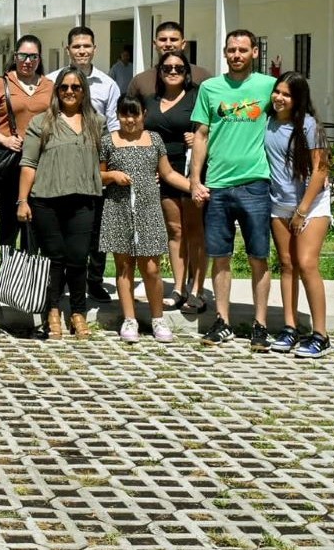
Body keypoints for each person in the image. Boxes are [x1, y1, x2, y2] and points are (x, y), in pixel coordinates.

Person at [188, 29, 278, 347]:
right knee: (220, 256)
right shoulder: (210, 88)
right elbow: (201, 134)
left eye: (242, 49)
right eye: (231, 50)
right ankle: (222, 321)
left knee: (258, 257)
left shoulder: (268, 87)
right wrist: (195, 180)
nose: (236, 55)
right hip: (218, 186)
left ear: (254, 51)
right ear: (224, 53)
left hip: (255, 183)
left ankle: (260, 325)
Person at [17, 67, 104, 339]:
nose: (69, 92)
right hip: (47, 201)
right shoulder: (42, 122)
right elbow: (29, 163)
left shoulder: (96, 122)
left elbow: (104, 161)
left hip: (83, 200)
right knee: (54, 258)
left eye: (75, 87)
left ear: (83, 91)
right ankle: (52, 310)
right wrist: (22, 200)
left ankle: (78, 312)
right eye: (64, 87)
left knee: (78, 258)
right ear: (56, 91)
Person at [100, 97, 190, 343]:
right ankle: (130, 319)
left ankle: (157, 318)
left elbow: (168, 173)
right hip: (118, 209)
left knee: (151, 267)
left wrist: (194, 187)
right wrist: (112, 175)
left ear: (144, 115)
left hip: (148, 209)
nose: (130, 121)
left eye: (135, 115)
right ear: (117, 116)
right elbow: (97, 175)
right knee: (124, 266)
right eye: (124, 115)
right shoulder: (108, 141)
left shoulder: (154, 139)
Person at [48, 26, 120, 301]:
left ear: (94, 49)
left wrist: (110, 164)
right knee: (65, 224)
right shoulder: (53, 80)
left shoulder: (108, 84)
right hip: (62, 162)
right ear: (68, 49)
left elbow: (112, 125)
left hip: (96, 163)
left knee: (97, 226)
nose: (81, 51)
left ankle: (95, 279)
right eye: (76, 46)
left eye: (86, 46)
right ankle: (64, 278)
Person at [266, 71, 332, 358]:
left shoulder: (308, 125)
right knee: (287, 264)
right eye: (277, 92)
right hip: (279, 202)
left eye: (287, 94)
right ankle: (290, 327)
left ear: (298, 99)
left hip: (311, 204)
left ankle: (320, 334)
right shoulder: (267, 122)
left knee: (306, 264)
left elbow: (321, 170)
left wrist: (303, 210)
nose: (280, 98)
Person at [142, 49, 208, 313]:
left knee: (195, 231)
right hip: (163, 170)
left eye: (178, 68)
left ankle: (197, 290)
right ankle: (179, 288)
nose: (172, 72)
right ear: (159, 71)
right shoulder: (150, 100)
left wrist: (201, 137)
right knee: (175, 231)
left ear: (187, 72)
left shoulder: (197, 97)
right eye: (167, 68)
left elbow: (211, 128)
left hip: (192, 169)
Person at [0, 37, 55, 250]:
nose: (27, 61)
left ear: (39, 58)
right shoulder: (1, 84)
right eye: (23, 55)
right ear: (15, 57)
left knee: (34, 217)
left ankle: (28, 273)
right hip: (9, 160)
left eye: (33, 56)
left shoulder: (49, 85)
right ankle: (7, 273)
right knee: (9, 217)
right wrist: (4, 139)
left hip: (40, 161)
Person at [127, 22, 212, 101]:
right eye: (163, 39)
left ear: (183, 44)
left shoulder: (202, 77)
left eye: (173, 39)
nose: (168, 44)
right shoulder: (140, 81)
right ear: (155, 44)